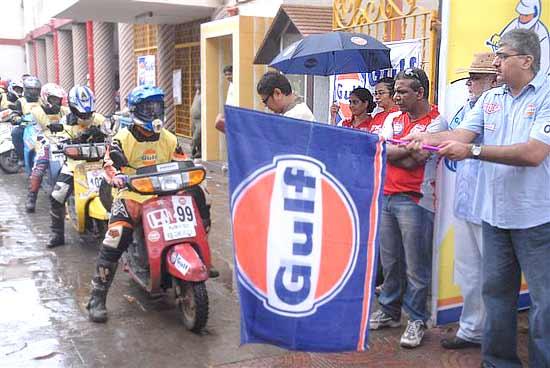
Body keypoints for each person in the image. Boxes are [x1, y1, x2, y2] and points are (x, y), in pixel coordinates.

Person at [406, 29, 550, 367]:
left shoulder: (546, 96)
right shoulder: (490, 99)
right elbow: (458, 135)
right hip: (494, 215)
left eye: (503, 56)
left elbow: (533, 153)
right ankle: (498, 362)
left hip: (536, 218)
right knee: (497, 297)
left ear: (527, 60)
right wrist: (424, 138)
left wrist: (470, 150)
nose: (496, 62)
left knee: (545, 301)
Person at [86, 85, 217, 323]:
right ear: (136, 111)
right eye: (148, 108)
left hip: (166, 193)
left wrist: (191, 169)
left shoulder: (168, 138)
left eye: (157, 106)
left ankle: (199, 255)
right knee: (115, 237)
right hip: (132, 195)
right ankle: (97, 296)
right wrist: (115, 175)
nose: (153, 112)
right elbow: (109, 164)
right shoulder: (122, 138)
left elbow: (182, 161)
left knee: (201, 197)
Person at [368, 67, 444, 349]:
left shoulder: (436, 122)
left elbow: (417, 159)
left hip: (416, 200)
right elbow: (381, 150)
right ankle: (389, 311)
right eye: (395, 91)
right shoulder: (391, 118)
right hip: (386, 195)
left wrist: (392, 151)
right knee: (391, 262)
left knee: (416, 266)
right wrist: (399, 151)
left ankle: (416, 320)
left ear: (420, 93)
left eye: (402, 92)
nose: (396, 97)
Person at [440, 52, 497, 350]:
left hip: (489, 203)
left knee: (493, 273)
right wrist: (424, 139)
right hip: (465, 199)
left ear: (493, 79)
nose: (469, 84)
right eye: (470, 78)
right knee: (468, 271)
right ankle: (472, 328)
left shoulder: (499, 108)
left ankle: (494, 332)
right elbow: (451, 136)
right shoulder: (466, 110)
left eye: (475, 78)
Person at [48, 85, 108, 248]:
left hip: (101, 164)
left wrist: (103, 134)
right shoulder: (64, 122)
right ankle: (57, 234)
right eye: (82, 114)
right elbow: (57, 140)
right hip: (75, 165)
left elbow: (113, 136)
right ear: (74, 109)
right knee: (56, 196)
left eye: (88, 113)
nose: (86, 117)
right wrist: (70, 139)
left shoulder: (100, 120)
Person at [25, 82, 70, 213]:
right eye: (54, 99)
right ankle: (32, 196)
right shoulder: (37, 110)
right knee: (39, 168)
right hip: (44, 142)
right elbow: (47, 125)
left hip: (63, 141)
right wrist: (57, 126)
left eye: (59, 99)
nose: (57, 102)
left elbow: (72, 117)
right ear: (46, 98)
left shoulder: (64, 110)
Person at [11, 76, 42, 166]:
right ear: (26, 89)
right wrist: (17, 119)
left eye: (35, 89)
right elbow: (15, 114)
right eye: (30, 89)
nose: (33, 92)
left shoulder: (42, 100)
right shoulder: (20, 101)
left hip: (42, 125)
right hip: (27, 124)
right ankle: (22, 157)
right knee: (16, 132)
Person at [190, 80, 201, 159]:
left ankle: (192, 150)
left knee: (196, 137)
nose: (197, 85)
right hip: (194, 119)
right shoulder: (197, 92)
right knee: (195, 136)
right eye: (196, 83)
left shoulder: (204, 93)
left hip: (200, 119)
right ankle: (199, 152)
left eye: (199, 83)